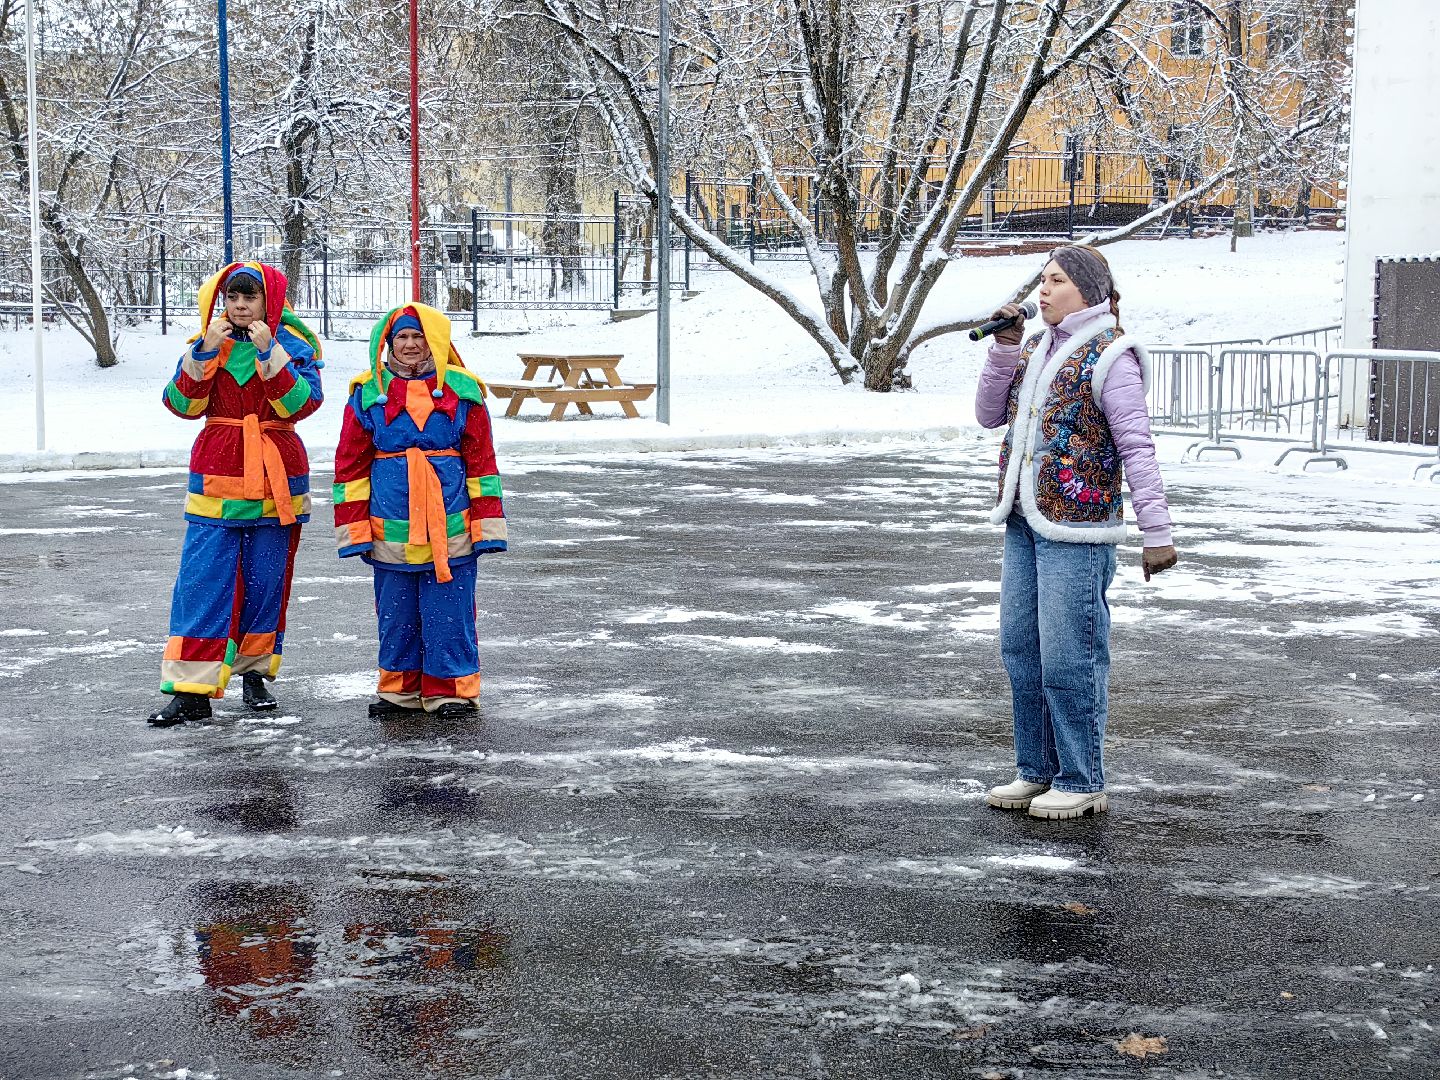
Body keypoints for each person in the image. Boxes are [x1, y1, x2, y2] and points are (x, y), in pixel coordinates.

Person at [974, 245, 1178, 820]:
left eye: (1057, 281)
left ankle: (1082, 778)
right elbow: (991, 415)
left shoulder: (1112, 355)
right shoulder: (1037, 346)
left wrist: (1155, 532)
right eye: (1042, 281)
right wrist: (1005, 348)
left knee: (1070, 656)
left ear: (1087, 290)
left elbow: (1137, 446)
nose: (1043, 292)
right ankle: (1035, 771)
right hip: (1024, 518)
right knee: (1021, 649)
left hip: (1078, 529)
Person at [149, 262, 325, 727]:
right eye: (233, 297)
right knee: (202, 585)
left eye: (251, 297)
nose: (241, 305)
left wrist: (271, 353)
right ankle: (191, 690)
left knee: (266, 586)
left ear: (272, 302)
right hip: (217, 478)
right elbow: (182, 405)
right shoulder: (206, 346)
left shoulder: (295, 346)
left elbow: (301, 404)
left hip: (277, 480)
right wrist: (206, 350)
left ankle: (253, 676)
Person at [332, 303, 507, 719]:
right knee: (396, 612)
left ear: (436, 343)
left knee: (450, 608)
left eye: (419, 337)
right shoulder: (366, 394)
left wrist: (488, 525)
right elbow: (350, 466)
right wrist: (354, 529)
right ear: (388, 343)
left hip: (451, 522)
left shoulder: (463, 392)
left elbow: (481, 463)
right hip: (389, 522)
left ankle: (452, 690)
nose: (410, 345)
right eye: (402, 338)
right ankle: (400, 691)